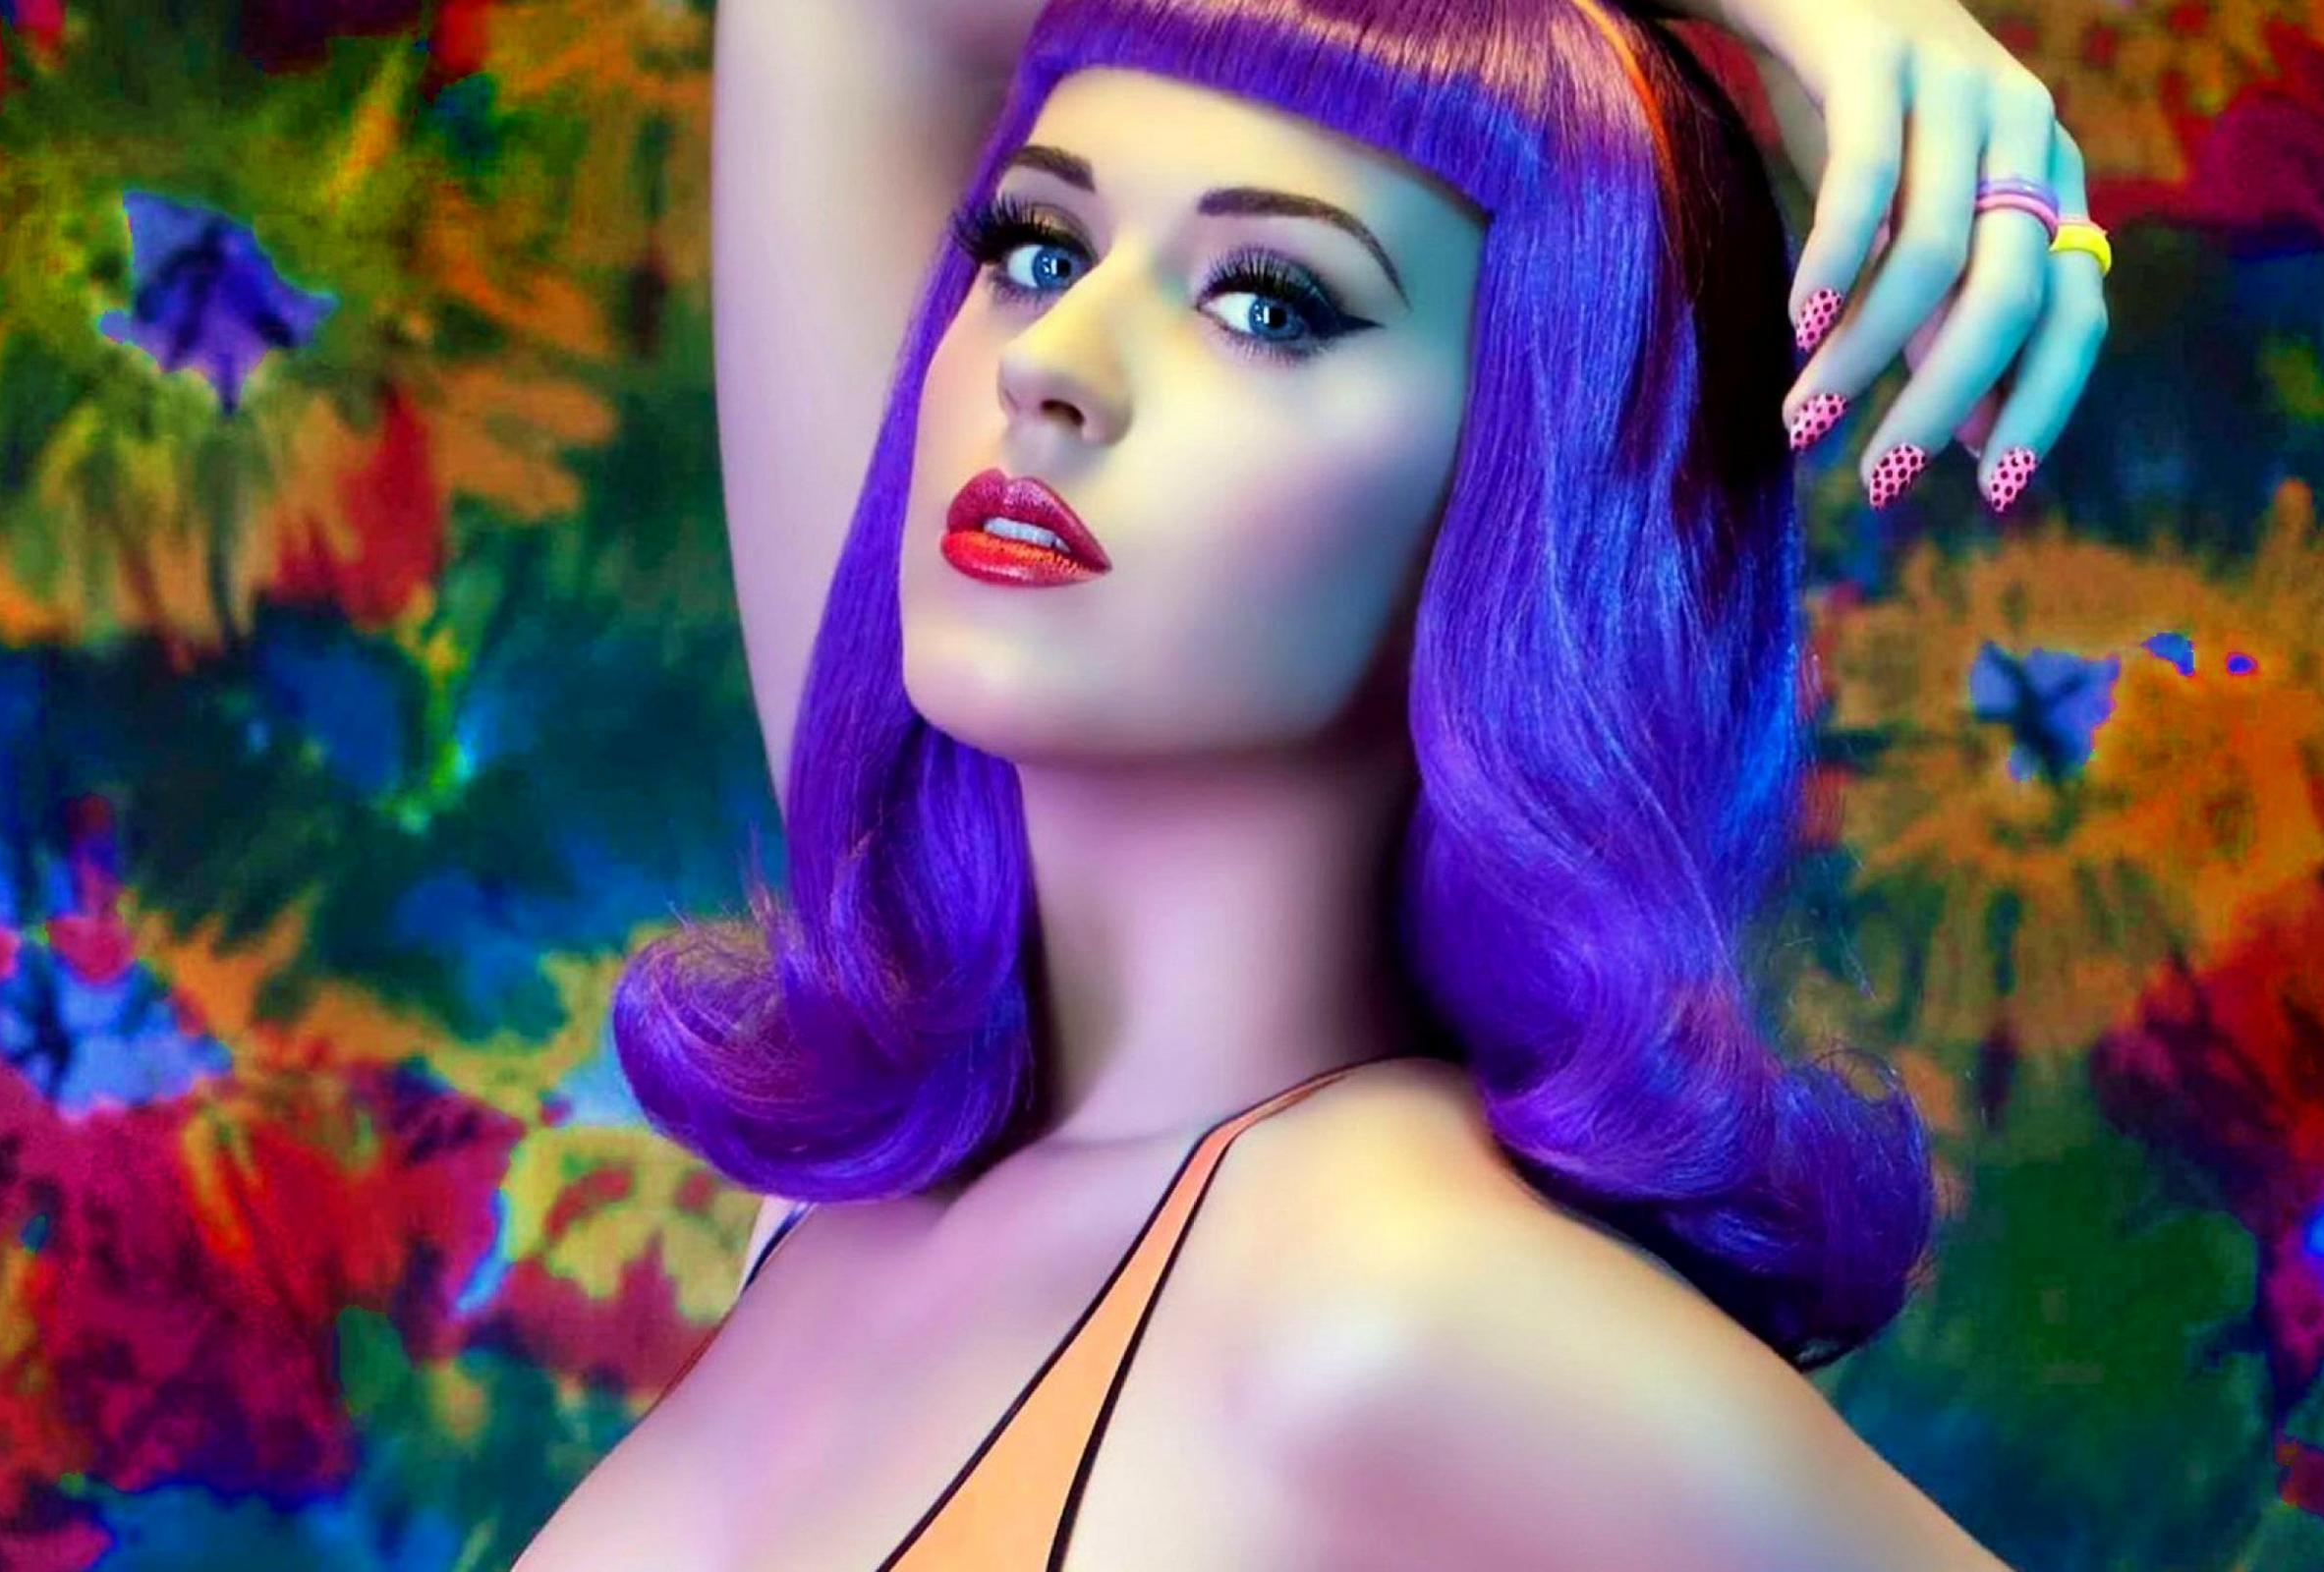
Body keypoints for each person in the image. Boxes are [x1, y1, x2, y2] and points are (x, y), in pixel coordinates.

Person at [517, 0, 2107, 1565]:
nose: (1050, 365)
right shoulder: (876, 1179)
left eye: (1268, 303)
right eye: (1039, 250)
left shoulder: (1400, 1304)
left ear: (1527, 489)